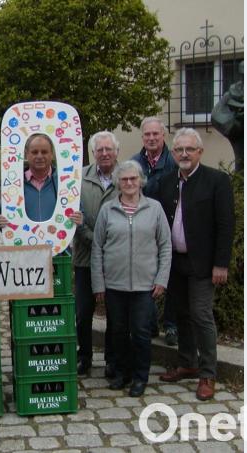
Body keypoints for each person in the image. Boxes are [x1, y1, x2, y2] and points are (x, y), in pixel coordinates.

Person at [155, 128, 235, 401]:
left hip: (203, 263)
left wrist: (221, 264)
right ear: (173, 153)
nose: (184, 154)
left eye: (190, 149)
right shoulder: (166, 182)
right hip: (175, 261)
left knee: (201, 315)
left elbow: (226, 226)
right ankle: (187, 362)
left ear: (200, 152)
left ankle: (208, 373)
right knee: (181, 313)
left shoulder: (216, 180)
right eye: (179, 150)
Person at [91, 160, 172, 397]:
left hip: (145, 284)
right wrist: (99, 283)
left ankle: (140, 377)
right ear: (118, 182)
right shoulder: (108, 210)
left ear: (140, 181)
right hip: (114, 284)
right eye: (124, 179)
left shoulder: (154, 208)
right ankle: (121, 373)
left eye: (133, 179)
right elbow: (97, 248)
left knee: (140, 332)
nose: (129, 183)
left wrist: (162, 279)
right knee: (117, 331)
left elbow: (165, 246)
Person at [70, 131, 120, 378]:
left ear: (116, 152)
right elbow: (75, 219)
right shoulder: (79, 179)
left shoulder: (126, 177)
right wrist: (92, 236)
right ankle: (84, 357)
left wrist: (102, 240)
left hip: (115, 260)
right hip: (84, 258)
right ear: (93, 152)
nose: (104, 153)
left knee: (115, 312)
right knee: (83, 311)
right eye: (99, 150)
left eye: (108, 149)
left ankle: (112, 359)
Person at [131, 117, 178, 345]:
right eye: (147, 134)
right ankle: (150, 325)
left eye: (155, 134)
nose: (151, 138)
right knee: (146, 280)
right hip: (143, 232)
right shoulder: (134, 163)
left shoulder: (174, 162)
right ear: (142, 137)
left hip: (170, 228)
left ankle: (171, 326)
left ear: (163, 136)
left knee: (172, 280)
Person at [0, 133, 82, 228]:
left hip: (58, 240)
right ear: (26, 155)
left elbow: (79, 211)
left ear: (52, 154)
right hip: (23, 240)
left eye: (44, 152)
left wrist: (80, 219)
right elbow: (2, 214)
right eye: (34, 152)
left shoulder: (65, 182)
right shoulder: (14, 183)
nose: (40, 156)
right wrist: (1, 222)